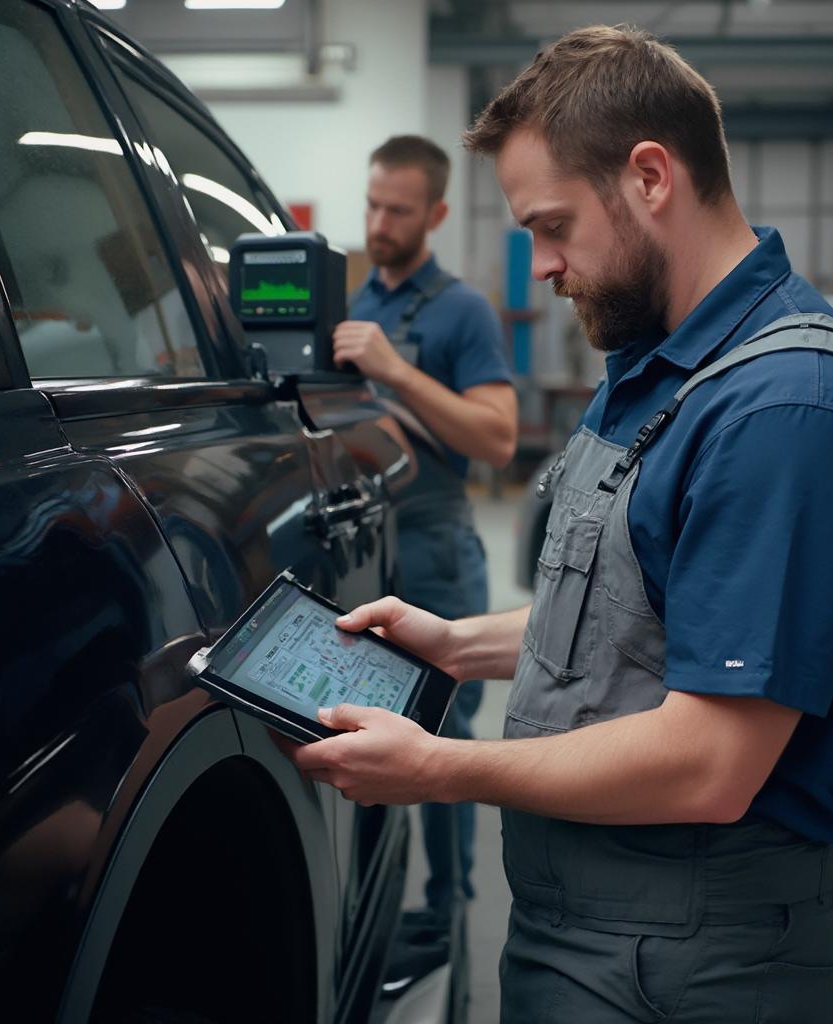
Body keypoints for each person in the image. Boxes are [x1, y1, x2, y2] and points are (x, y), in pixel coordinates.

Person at [281, 28, 833, 1022]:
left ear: (651, 178)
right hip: (597, 925)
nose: (537, 264)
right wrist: (458, 643)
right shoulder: (656, 368)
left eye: (551, 225)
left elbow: (712, 762)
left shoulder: (787, 411)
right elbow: (644, 614)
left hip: (686, 951)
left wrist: (441, 769)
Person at [334, 135, 517, 925]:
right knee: (356, 722)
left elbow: (499, 439)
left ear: (435, 213)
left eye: (398, 210)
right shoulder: (352, 304)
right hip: (365, 537)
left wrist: (398, 371)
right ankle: (369, 899)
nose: (380, 222)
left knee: (440, 730)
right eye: (373, 205)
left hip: (437, 542)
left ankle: (447, 909)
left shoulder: (462, 311)